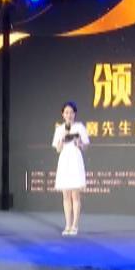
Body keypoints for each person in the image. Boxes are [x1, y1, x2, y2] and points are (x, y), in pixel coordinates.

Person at [51, 101, 90, 236]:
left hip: (75, 160)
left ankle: (75, 225)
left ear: (75, 114)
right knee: (66, 195)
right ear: (62, 114)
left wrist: (79, 143)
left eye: (71, 112)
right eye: (66, 112)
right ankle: (67, 225)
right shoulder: (59, 129)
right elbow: (58, 149)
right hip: (64, 161)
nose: (69, 115)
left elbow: (85, 146)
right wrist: (62, 139)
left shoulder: (79, 127)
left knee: (75, 195)